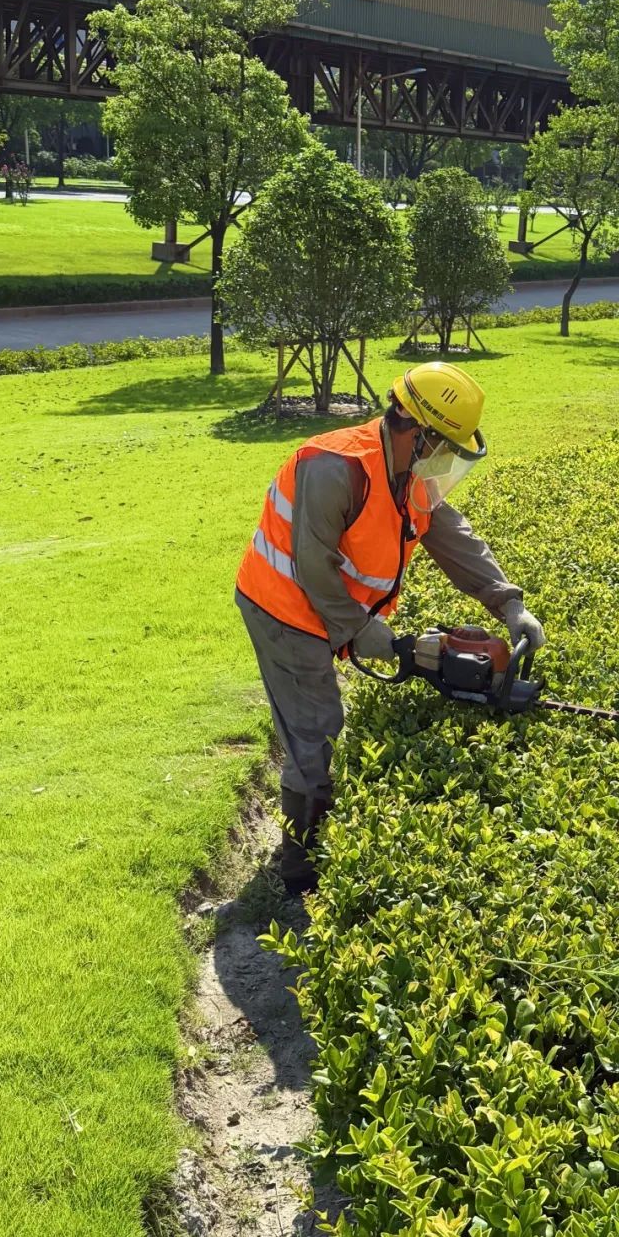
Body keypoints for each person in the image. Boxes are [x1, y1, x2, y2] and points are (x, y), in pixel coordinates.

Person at [234, 361, 545, 894]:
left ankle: (314, 840)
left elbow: (452, 535)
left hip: (328, 607)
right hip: (281, 606)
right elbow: (312, 566)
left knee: (319, 723)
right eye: (444, 448)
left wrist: (509, 603)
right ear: (418, 433)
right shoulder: (336, 467)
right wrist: (364, 631)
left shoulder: (409, 478)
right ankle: (300, 871)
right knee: (315, 727)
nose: (446, 462)